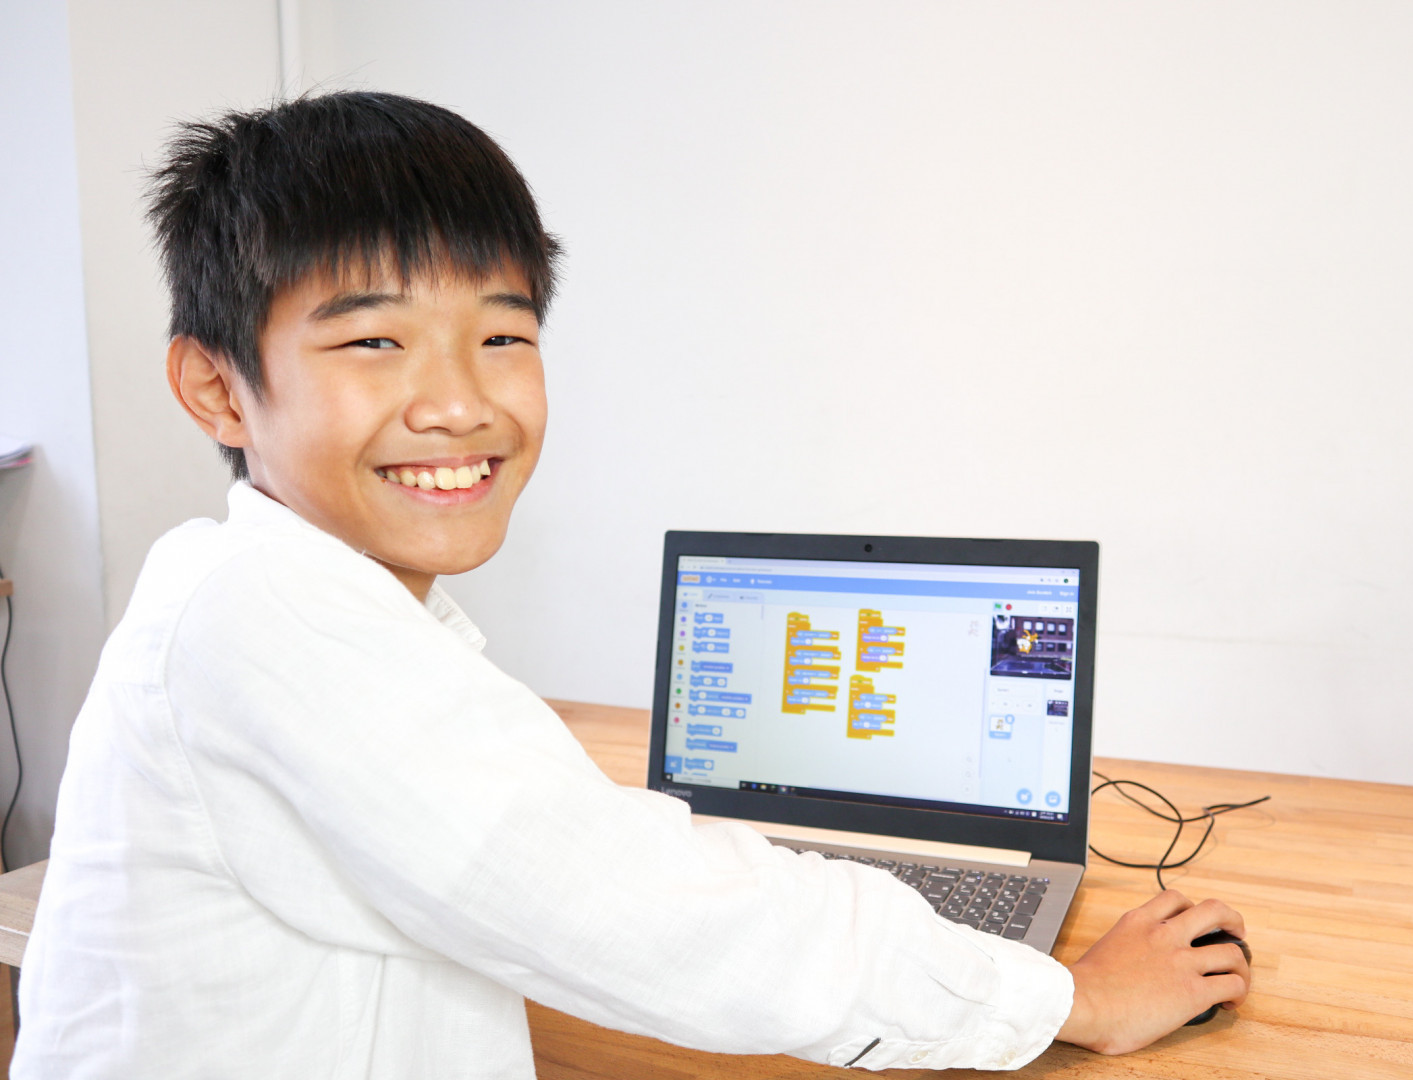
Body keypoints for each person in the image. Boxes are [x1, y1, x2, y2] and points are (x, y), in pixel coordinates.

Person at [13, 91, 1249, 1077]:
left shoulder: (309, 600)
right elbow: (635, 906)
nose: (460, 403)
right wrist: (1068, 998)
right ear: (218, 388)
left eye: (503, 335)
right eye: (374, 340)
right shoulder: (261, 614)